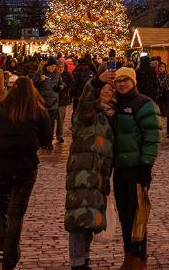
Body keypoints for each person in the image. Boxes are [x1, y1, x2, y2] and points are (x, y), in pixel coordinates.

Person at [0, 77, 53, 269]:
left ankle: (0, 248)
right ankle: (9, 258)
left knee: (2, 206)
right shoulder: (38, 112)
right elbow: (47, 138)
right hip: (25, 167)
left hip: (0, 165)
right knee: (16, 213)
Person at [97, 65, 160, 270]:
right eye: (119, 81)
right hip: (120, 168)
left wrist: (146, 165)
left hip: (136, 169)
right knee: (125, 215)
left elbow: (152, 137)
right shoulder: (115, 105)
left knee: (137, 216)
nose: (122, 84)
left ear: (134, 82)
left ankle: (139, 259)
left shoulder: (144, 104)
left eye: (126, 80)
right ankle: (128, 256)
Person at [66, 75, 117, 270]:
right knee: (79, 218)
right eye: (103, 89)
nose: (106, 92)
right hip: (82, 169)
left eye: (110, 90)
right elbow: (86, 100)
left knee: (90, 216)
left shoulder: (112, 113)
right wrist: (96, 82)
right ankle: (77, 262)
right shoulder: (87, 112)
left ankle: (84, 258)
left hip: (100, 172)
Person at [35, 59, 63, 145]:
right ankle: (42, 141)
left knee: (51, 123)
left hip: (54, 103)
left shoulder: (57, 75)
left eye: (54, 66)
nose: (53, 68)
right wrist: (40, 80)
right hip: (43, 102)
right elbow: (33, 84)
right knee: (42, 122)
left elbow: (61, 84)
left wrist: (60, 87)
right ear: (47, 66)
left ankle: (49, 141)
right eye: (51, 66)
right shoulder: (40, 73)